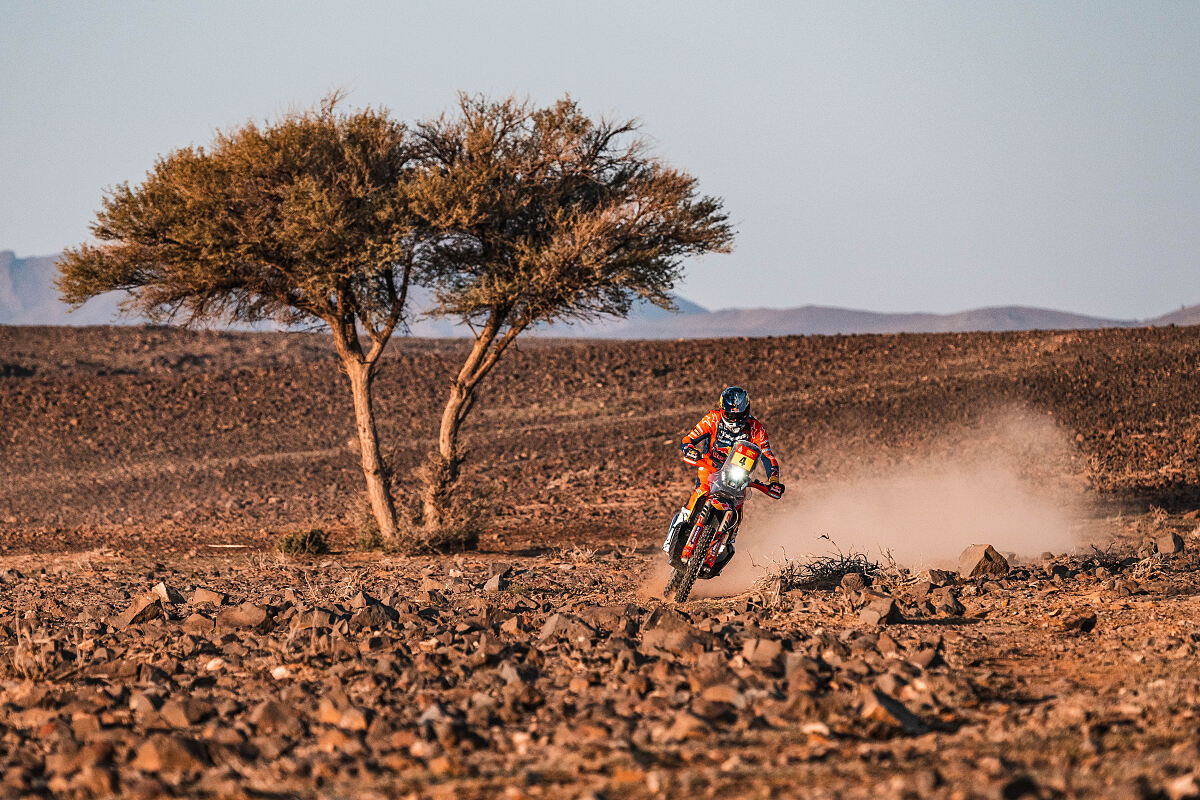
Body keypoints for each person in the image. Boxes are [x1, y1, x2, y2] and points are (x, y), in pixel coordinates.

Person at [663, 386, 784, 571]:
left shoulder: (756, 428)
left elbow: (768, 456)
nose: (735, 420)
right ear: (722, 409)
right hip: (710, 468)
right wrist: (689, 449)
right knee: (697, 495)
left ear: (747, 409)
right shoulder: (712, 418)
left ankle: (725, 543)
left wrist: (773, 480)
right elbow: (689, 438)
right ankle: (673, 536)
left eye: (739, 415)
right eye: (730, 415)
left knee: (739, 508)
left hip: (738, 476)